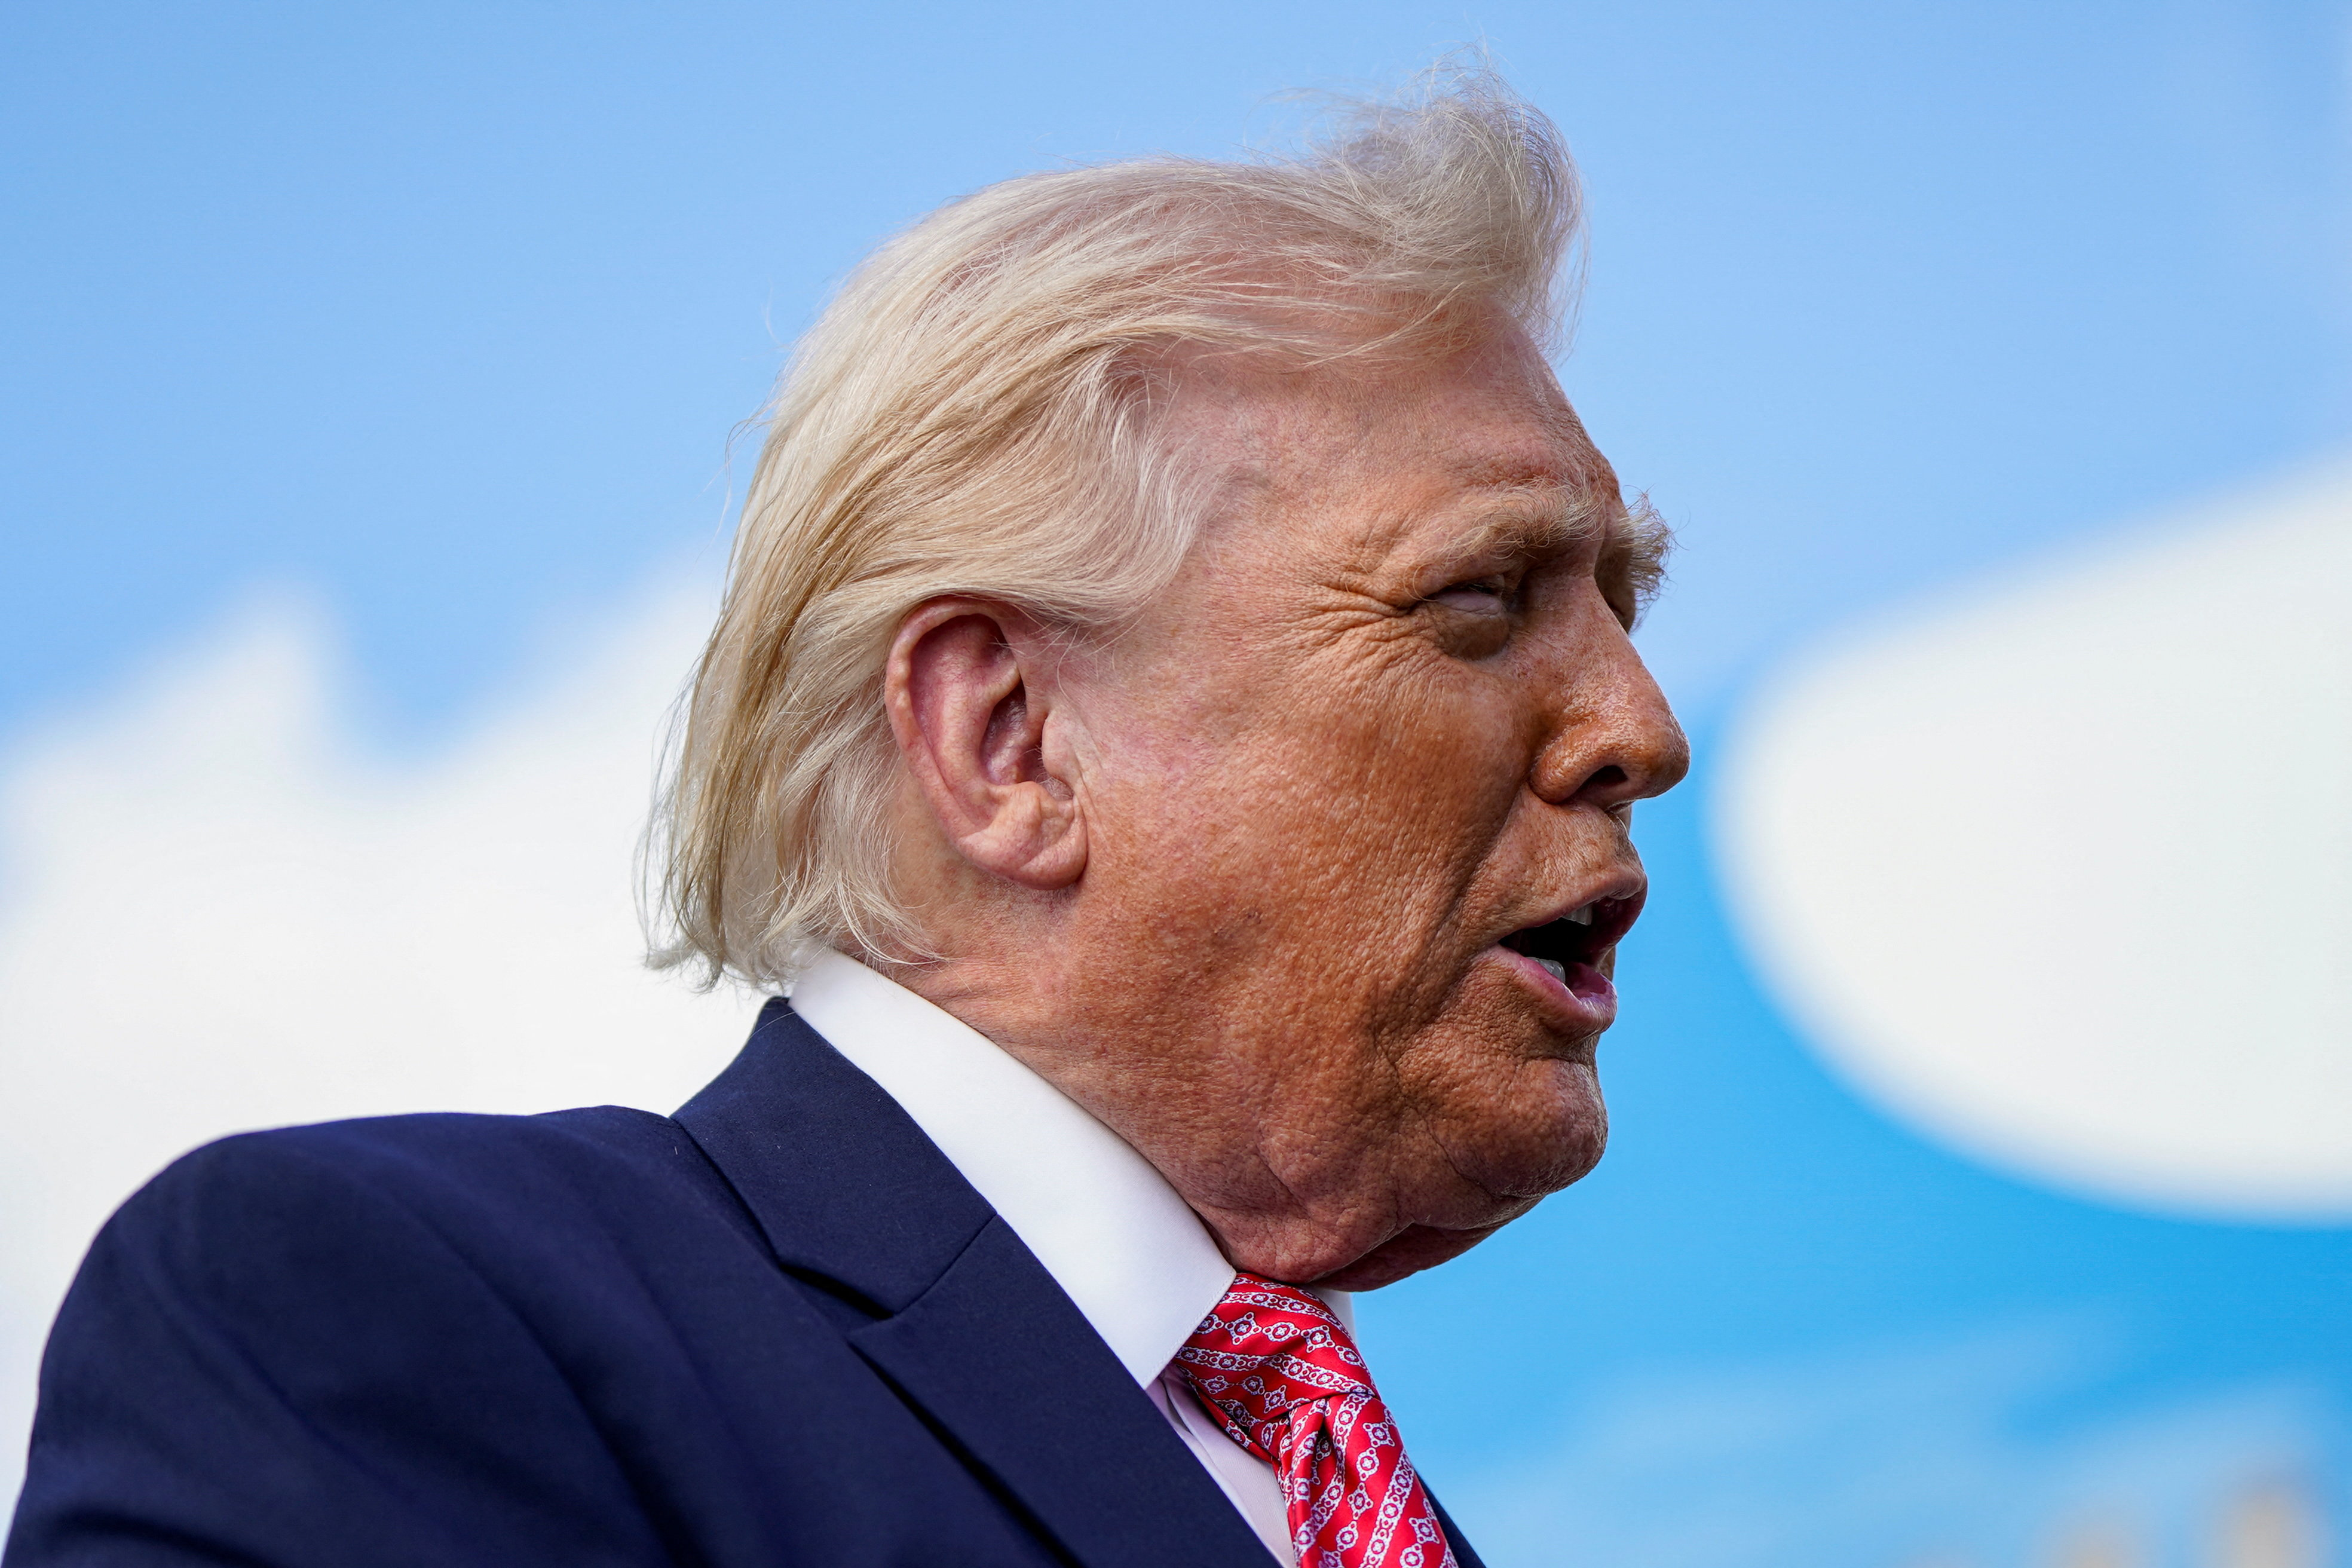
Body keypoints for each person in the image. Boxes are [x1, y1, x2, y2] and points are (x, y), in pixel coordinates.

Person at [5, 62, 1686, 1568]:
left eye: (1623, 604)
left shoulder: (1368, 1508)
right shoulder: (386, 1315)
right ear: (1007, 740)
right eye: (1477, 601)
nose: (1641, 726)